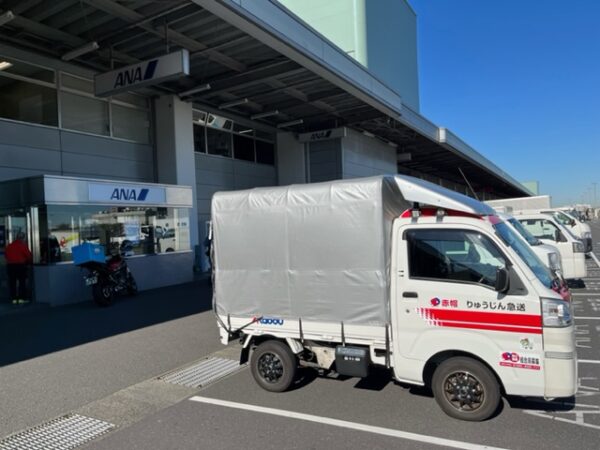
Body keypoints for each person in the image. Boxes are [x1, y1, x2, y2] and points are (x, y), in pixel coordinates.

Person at [5, 232, 33, 304]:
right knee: (22, 283)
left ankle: (13, 299)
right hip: (20, 266)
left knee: (12, 283)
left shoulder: (9, 246)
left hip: (11, 266)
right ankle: (22, 298)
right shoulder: (22, 246)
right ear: (22, 238)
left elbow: (6, 256)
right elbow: (29, 256)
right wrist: (28, 262)